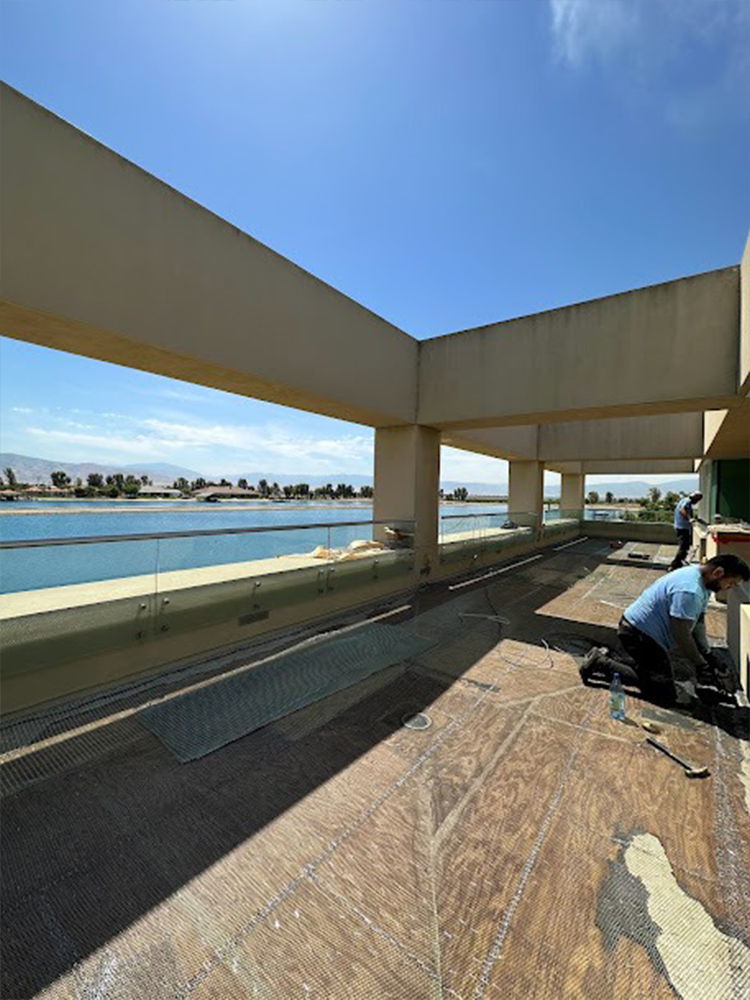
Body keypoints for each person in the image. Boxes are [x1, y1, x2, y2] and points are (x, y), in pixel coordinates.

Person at [580, 554, 750, 706]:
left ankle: (611, 656)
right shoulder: (690, 590)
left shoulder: (699, 578)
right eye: (731, 583)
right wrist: (701, 664)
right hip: (638, 635)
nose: (728, 588)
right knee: (663, 692)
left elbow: (698, 622)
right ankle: (601, 663)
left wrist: (707, 654)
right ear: (718, 573)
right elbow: (681, 634)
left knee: (655, 668)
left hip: (637, 629)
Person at [668, 491, 703, 572]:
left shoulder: (684, 500)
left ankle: (679, 564)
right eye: (697, 499)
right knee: (683, 548)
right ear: (694, 497)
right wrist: (689, 519)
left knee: (685, 547)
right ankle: (674, 565)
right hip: (682, 528)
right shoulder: (687, 502)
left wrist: (694, 519)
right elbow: (682, 510)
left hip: (681, 527)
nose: (697, 502)